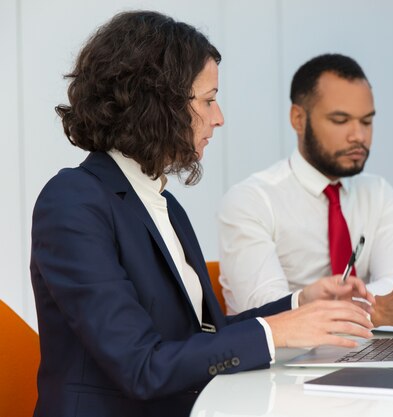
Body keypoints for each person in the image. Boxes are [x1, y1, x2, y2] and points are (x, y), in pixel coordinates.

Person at [30, 12, 374, 417]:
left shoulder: (163, 203)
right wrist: (276, 332)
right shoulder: (73, 201)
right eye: (209, 100)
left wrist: (299, 303)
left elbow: (201, 336)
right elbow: (142, 366)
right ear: (158, 102)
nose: (219, 117)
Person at [218, 53, 393, 327]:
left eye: (366, 121)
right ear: (298, 118)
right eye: (341, 120)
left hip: (362, 352)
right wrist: (375, 311)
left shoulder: (377, 193)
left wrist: (374, 306)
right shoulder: (251, 201)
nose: (358, 135)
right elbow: (263, 308)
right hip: (282, 364)